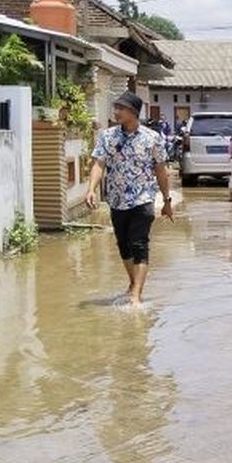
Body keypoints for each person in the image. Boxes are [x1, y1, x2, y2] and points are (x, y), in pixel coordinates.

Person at [86, 92, 174, 306]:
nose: (116, 112)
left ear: (133, 112)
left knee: (139, 244)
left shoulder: (152, 138)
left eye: (120, 109)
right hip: (116, 200)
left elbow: (161, 171)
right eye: (115, 108)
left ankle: (136, 295)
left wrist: (166, 201)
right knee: (123, 245)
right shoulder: (107, 137)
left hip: (143, 199)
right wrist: (91, 189)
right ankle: (134, 283)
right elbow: (99, 164)